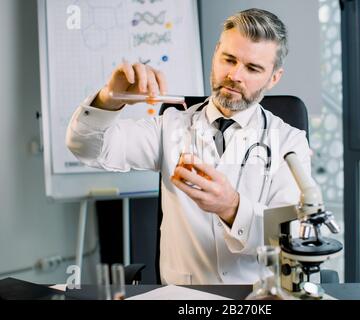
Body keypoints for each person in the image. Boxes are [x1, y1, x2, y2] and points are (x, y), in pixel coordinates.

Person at [66, 8, 311, 285]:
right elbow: (86, 147)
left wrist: (231, 207)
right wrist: (109, 98)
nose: (234, 75)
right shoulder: (170, 126)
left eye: (253, 68)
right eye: (228, 59)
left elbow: (290, 237)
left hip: (256, 297)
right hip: (183, 297)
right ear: (216, 53)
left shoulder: (290, 141)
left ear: (274, 77)